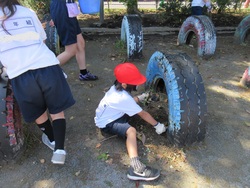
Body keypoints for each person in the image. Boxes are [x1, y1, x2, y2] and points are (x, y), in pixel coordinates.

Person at [0, 0, 75, 164]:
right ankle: (60, 149)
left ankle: (52, 139)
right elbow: (42, 40)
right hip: (47, 65)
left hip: (20, 73)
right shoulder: (27, 12)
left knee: (38, 111)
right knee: (56, 109)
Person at [94, 62, 167, 181]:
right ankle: (136, 168)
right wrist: (157, 125)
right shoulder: (122, 98)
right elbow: (143, 113)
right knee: (131, 131)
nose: (137, 84)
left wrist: (142, 97)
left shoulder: (117, 90)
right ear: (124, 84)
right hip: (107, 123)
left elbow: (128, 102)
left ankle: (136, 167)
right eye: (134, 83)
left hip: (111, 114)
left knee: (131, 111)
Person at [49, 0, 98, 81]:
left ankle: (84, 73)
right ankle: (46, 71)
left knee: (80, 44)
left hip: (67, 7)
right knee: (71, 50)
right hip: (63, 8)